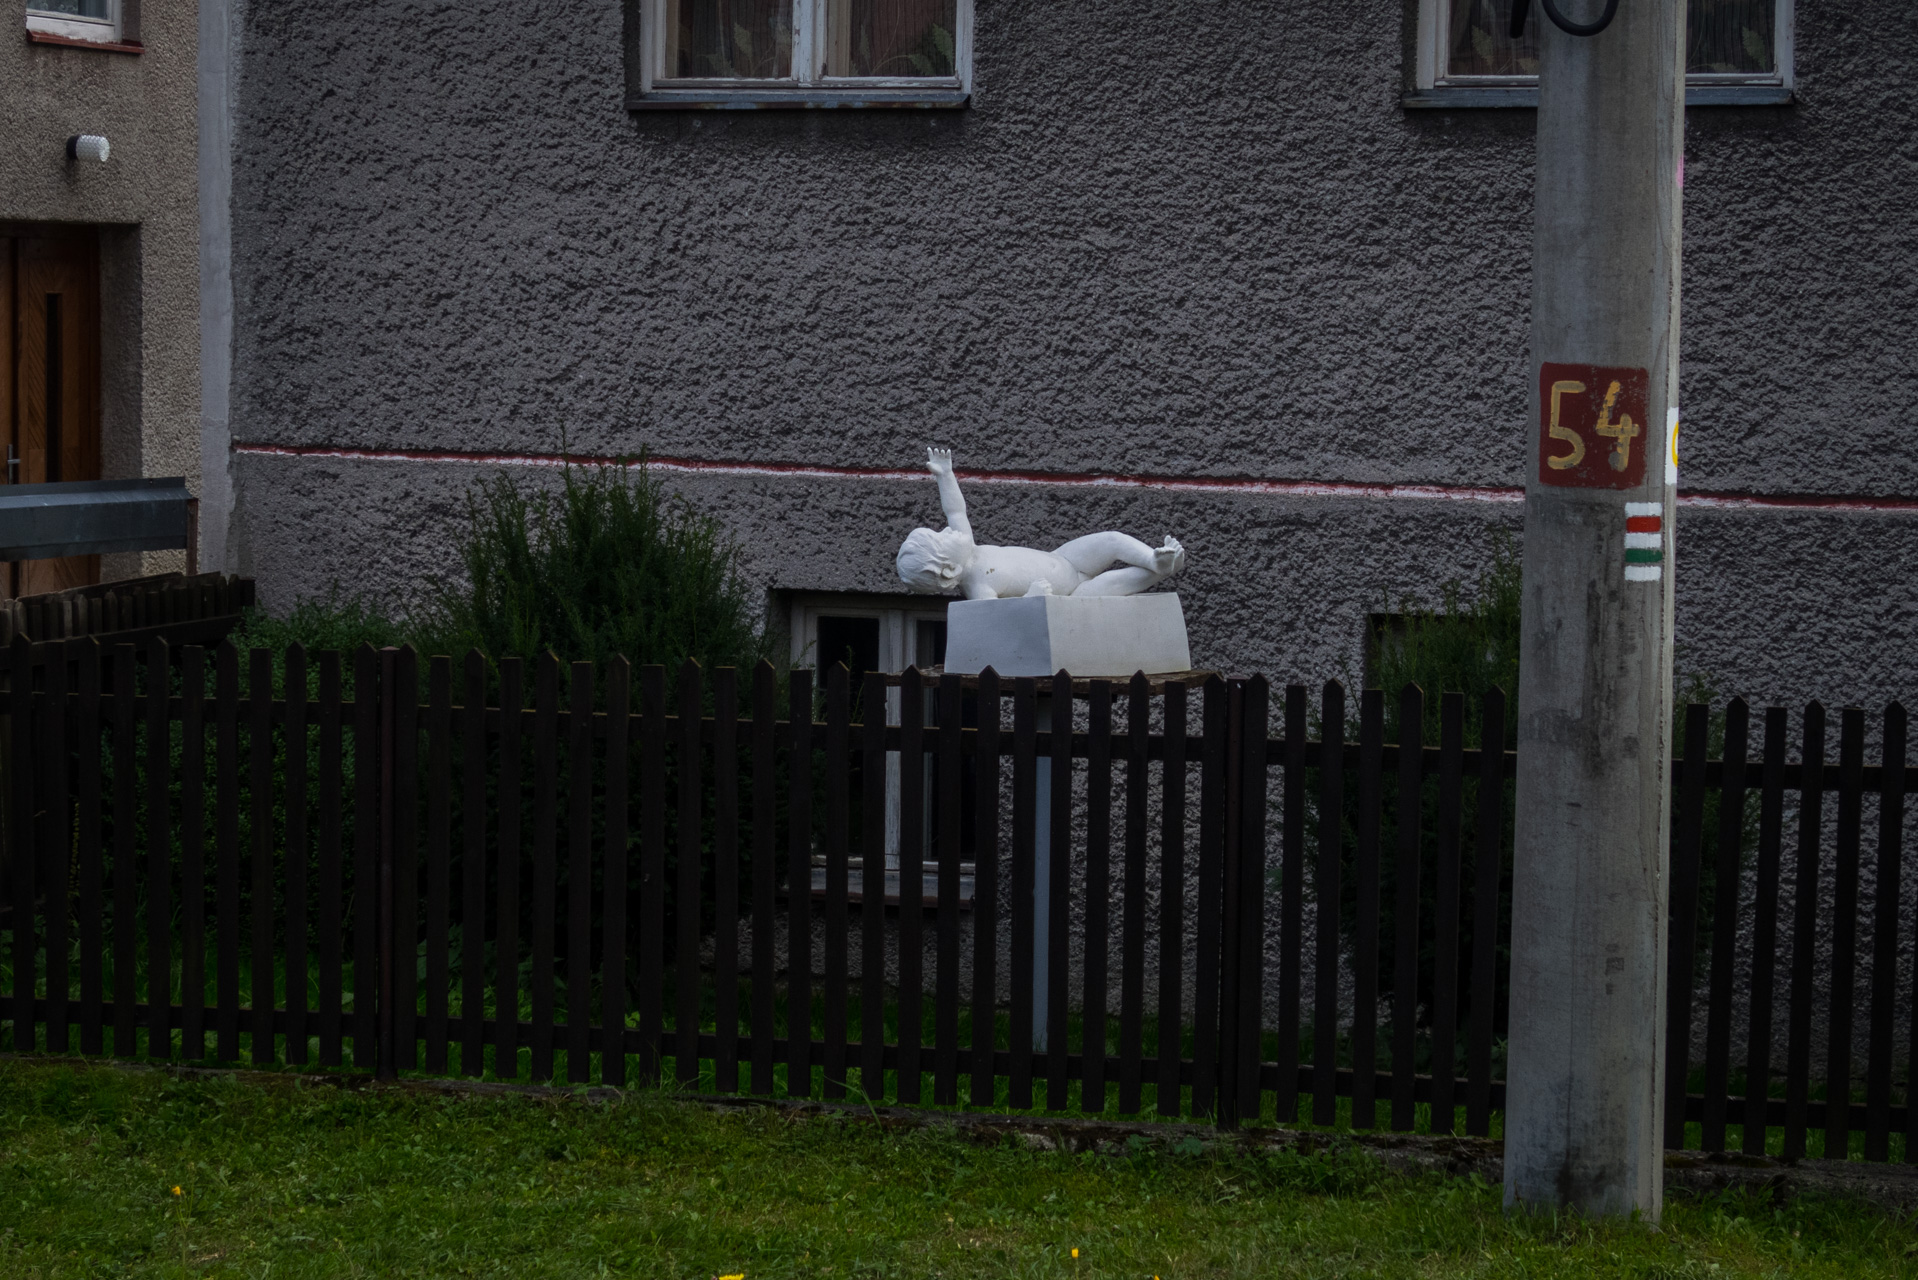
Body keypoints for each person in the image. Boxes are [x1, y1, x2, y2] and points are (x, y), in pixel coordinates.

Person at [896, 448, 1185, 600]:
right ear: (950, 570)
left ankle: (1151, 557)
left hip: (1064, 558)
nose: (947, 530)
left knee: (1111, 539)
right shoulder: (979, 587)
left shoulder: (967, 547)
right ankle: (1160, 569)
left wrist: (945, 476)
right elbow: (1002, 621)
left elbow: (955, 511)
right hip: (1070, 596)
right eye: (942, 538)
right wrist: (1031, 601)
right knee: (1115, 584)